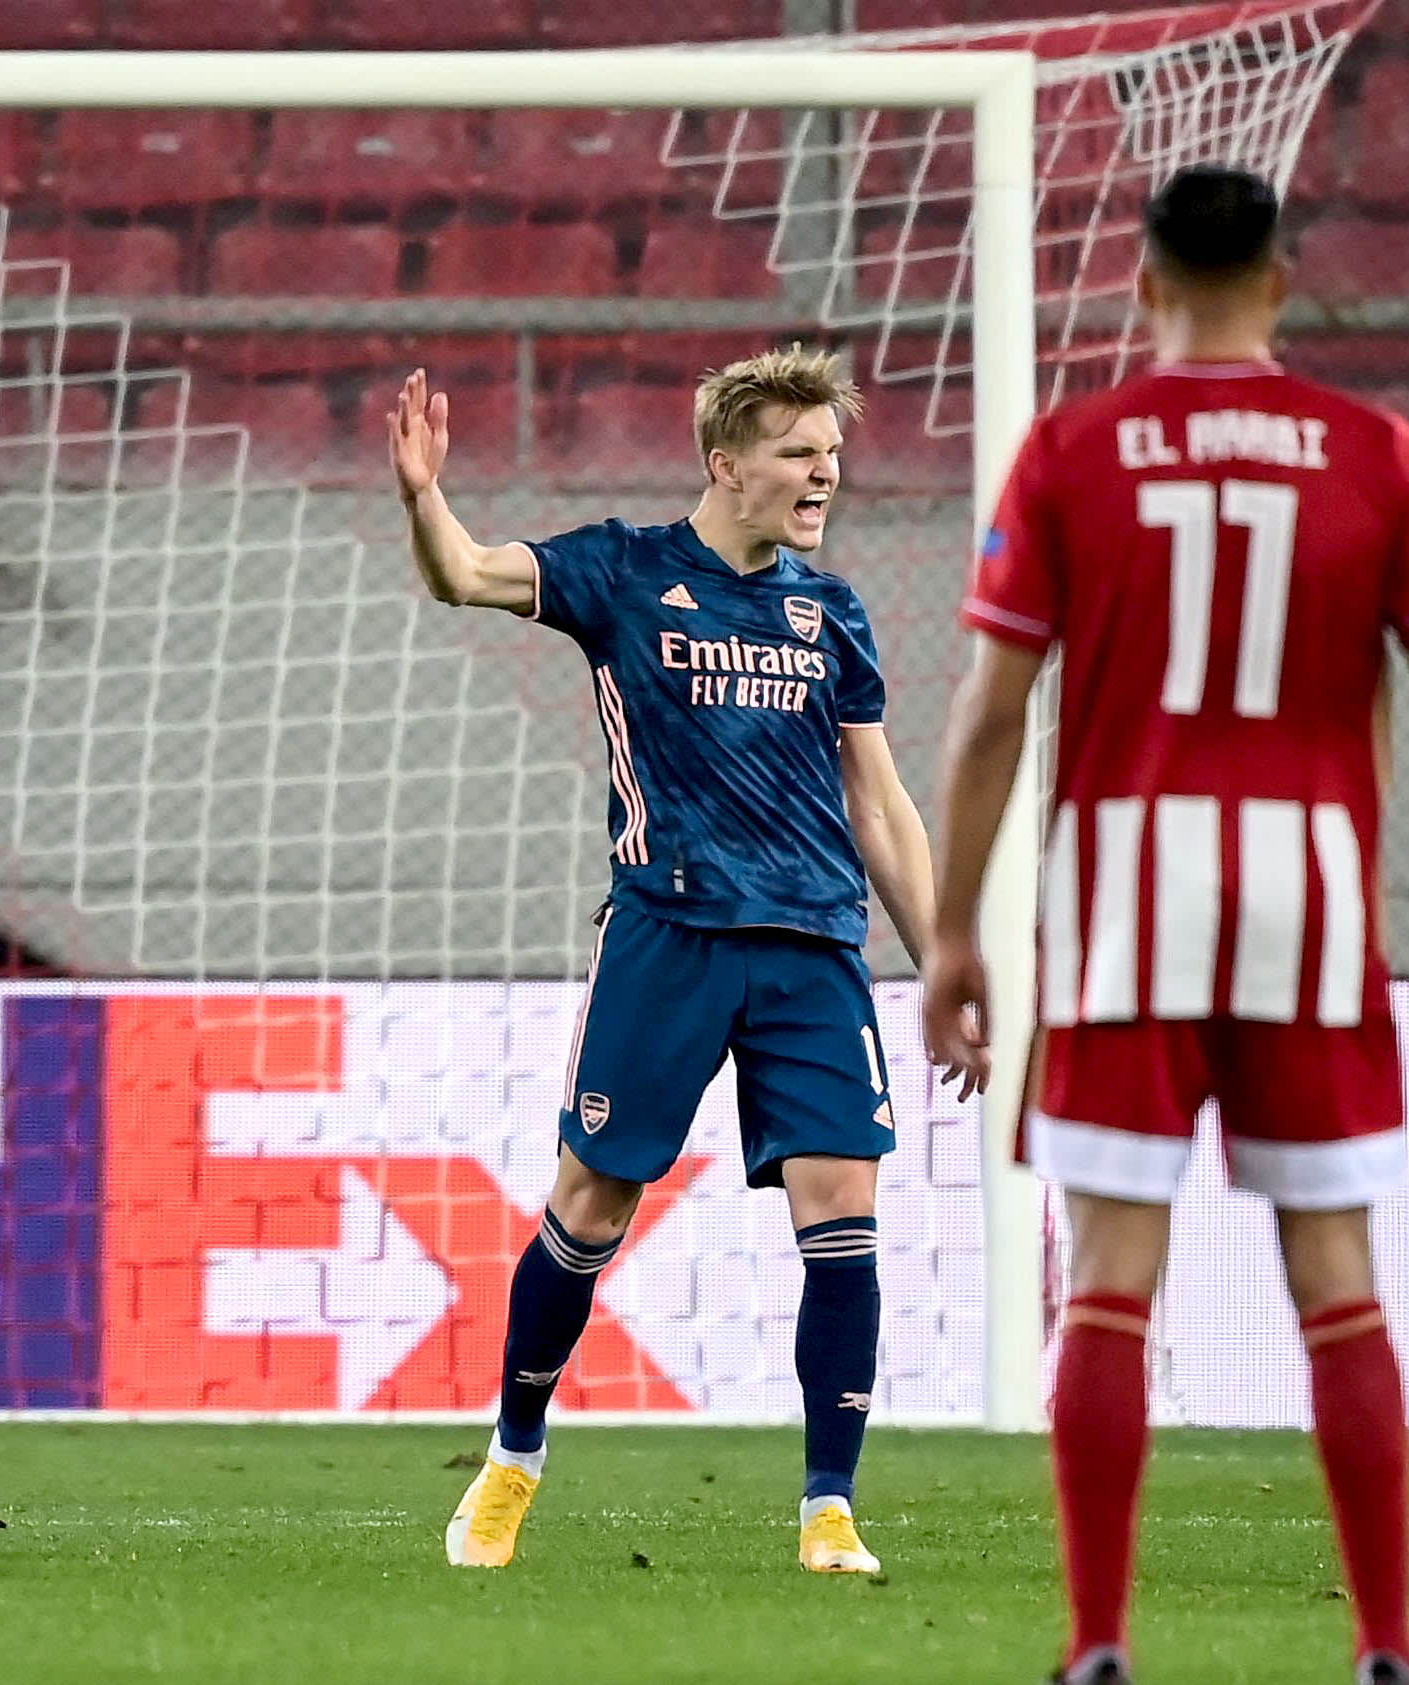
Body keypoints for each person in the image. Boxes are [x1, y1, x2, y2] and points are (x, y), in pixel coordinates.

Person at [922, 164, 1409, 1685]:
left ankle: (1096, 1643)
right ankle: (1385, 1645)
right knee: (1336, 1276)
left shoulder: (1071, 452)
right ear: (1280, 282)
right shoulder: (1377, 456)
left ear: (1140, 284)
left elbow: (989, 716)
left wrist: (954, 931)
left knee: (1111, 1272)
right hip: (1309, 899)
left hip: (1123, 897)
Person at [391, 346, 952, 1576]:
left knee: (843, 1206)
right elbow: (466, 574)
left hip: (813, 943)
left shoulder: (830, 611)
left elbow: (879, 802)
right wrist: (427, 499)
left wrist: (945, 963)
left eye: (832, 452)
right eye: (799, 452)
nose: (825, 472)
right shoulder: (624, 570)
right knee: (592, 1203)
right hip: (668, 932)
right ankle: (512, 1458)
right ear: (726, 463)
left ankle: (828, 1510)